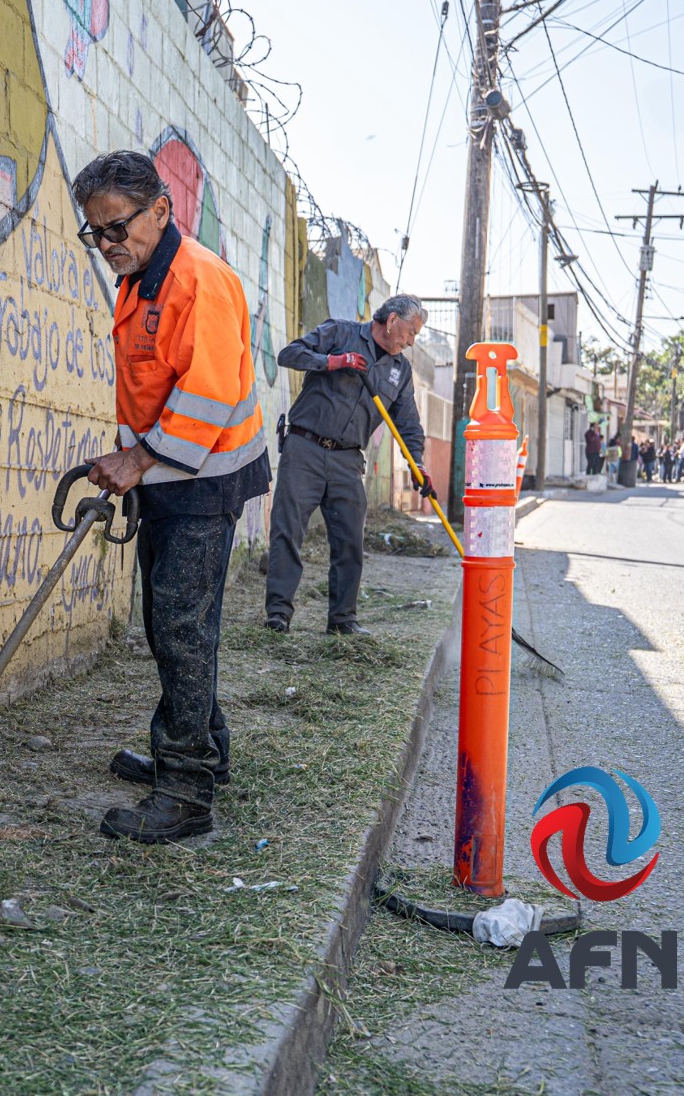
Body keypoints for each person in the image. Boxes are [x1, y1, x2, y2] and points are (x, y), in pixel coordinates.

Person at [74, 151, 270, 845]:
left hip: (205, 474)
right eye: (95, 232)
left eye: (116, 227)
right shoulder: (140, 275)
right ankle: (198, 751)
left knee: (181, 626)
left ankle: (186, 789)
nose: (106, 243)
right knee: (168, 623)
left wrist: (137, 457)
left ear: (161, 209)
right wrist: (134, 461)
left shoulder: (200, 281)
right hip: (167, 472)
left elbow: (208, 395)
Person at [263, 295, 431, 636]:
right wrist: (333, 361)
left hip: (348, 459)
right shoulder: (340, 332)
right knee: (288, 532)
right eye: (411, 332)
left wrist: (418, 464)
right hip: (304, 447)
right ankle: (278, 615)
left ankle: (342, 620)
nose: (411, 341)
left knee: (350, 542)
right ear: (393, 319)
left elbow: (408, 424)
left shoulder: (401, 371)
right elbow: (288, 355)